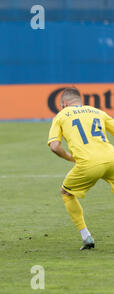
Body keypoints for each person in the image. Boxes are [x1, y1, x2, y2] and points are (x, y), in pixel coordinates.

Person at [48, 87, 114, 250]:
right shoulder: (97, 111)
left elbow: (55, 147)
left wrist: (70, 158)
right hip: (112, 158)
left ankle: (86, 237)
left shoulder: (61, 116)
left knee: (67, 193)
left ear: (64, 104)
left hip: (87, 163)